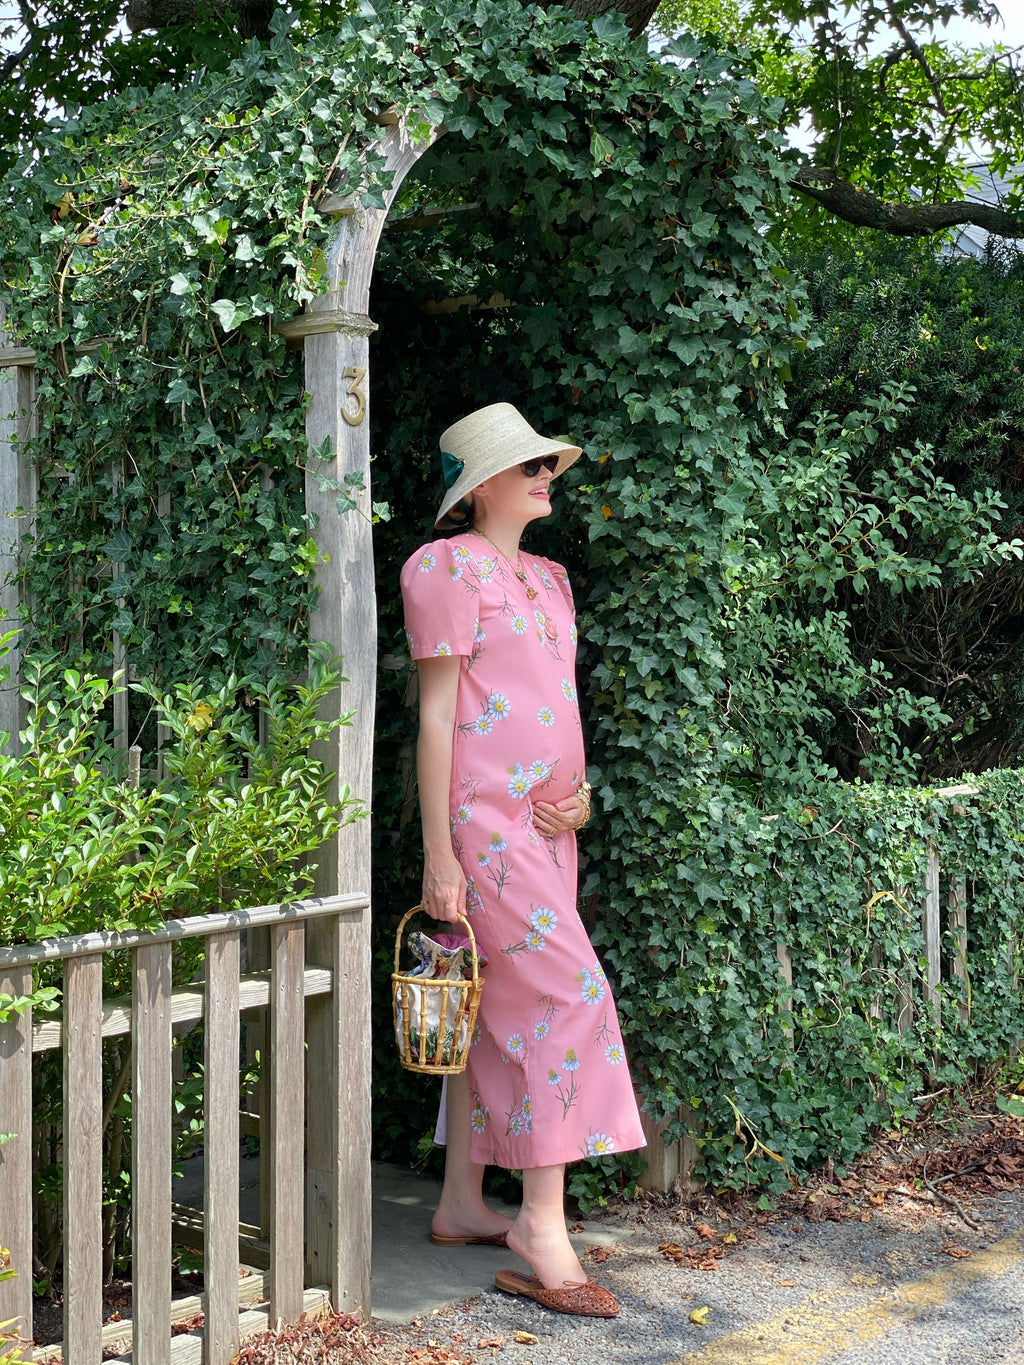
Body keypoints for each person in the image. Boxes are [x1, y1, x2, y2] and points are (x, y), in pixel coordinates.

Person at [400, 402, 646, 1319]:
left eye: (548, 462)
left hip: (551, 834)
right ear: (483, 485)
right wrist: (439, 855)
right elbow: (437, 718)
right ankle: (543, 1221)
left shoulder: (550, 578)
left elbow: (551, 704)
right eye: (530, 463)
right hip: (485, 832)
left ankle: (464, 1201)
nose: (547, 473)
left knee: (492, 1005)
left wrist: (579, 796)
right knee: (566, 996)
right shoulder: (442, 568)